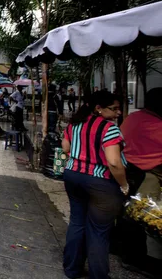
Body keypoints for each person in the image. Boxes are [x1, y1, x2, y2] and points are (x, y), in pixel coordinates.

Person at [61, 90, 128, 279]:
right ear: (98, 108)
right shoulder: (109, 129)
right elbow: (114, 162)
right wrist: (123, 184)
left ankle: (71, 269)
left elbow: (65, 148)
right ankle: (99, 275)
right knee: (99, 230)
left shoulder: (75, 125)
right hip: (100, 183)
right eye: (113, 109)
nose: (118, 113)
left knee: (77, 222)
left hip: (73, 176)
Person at [117, 87, 162, 274]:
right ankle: (136, 260)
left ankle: (123, 251)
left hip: (125, 172)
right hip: (147, 177)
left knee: (126, 215)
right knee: (145, 219)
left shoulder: (132, 118)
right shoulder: (158, 125)